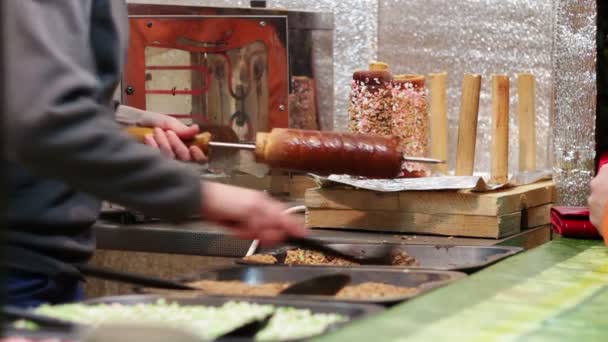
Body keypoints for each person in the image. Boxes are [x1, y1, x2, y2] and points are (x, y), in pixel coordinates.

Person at [2, 0, 307, 307]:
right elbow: (39, 119)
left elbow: (26, 94)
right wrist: (204, 197)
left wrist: (133, 122)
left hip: (48, 260)